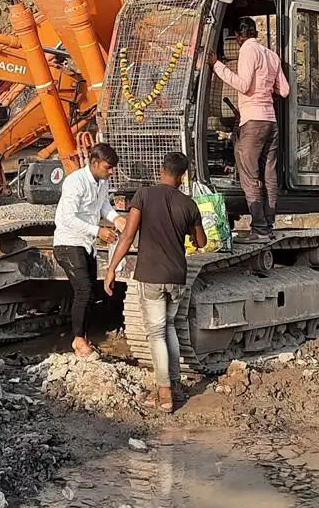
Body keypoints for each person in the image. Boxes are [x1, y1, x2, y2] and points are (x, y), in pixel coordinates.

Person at [103, 152, 205, 412]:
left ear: (161, 170)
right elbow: (201, 242)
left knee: (156, 333)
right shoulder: (189, 204)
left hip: (151, 275)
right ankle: (175, 384)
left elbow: (128, 236)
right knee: (169, 327)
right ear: (182, 177)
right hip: (177, 277)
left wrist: (111, 268)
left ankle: (164, 392)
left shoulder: (144, 195)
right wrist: (189, 230)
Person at [207, 16, 290, 239]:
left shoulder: (247, 50)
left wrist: (217, 65)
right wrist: (265, 89)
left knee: (249, 175)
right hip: (270, 122)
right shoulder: (271, 55)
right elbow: (284, 91)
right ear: (255, 32)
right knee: (269, 174)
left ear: (239, 36)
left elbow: (243, 85)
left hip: (252, 122)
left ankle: (259, 228)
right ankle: (268, 225)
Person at [53, 143, 128, 360]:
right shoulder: (75, 182)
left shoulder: (102, 182)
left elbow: (103, 205)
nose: (111, 172)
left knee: (90, 293)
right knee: (84, 290)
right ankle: (78, 340)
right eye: (108, 167)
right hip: (69, 242)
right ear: (94, 163)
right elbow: (67, 217)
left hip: (87, 243)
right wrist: (98, 231)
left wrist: (116, 218)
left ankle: (83, 338)